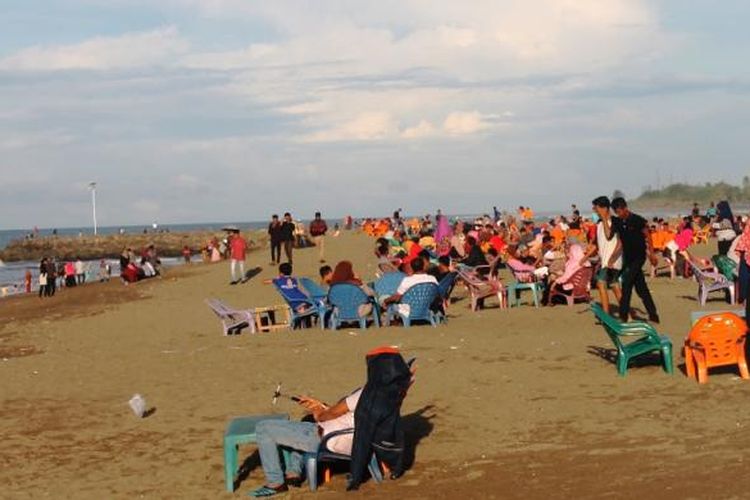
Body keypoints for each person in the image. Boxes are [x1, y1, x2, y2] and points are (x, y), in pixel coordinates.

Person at [249, 347, 413, 497]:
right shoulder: (392, 393)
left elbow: (328, 415)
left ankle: (276, 482)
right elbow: (347, 413)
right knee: (304, 422)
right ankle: (293, 474)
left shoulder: (366, 394)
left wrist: (318, 412)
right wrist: (320, 405)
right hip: (354, 439)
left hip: (330, 439)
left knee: (263, 428)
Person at [611, 197, 660, 323]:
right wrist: (613, 257)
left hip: (639, 257)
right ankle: (653, 314)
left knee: (626, 283)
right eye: (616, 212)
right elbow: (616, 238)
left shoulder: (638, 220)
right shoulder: (617, 222)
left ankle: (623, 315)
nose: (618, 214)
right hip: (628, 258)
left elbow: (648, 236)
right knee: (641, 288)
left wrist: (652, 255)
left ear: (625, 208)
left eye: (619, 211)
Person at [584, 196, 623, 314]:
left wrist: (605, 218)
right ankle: (626, 313)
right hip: (606, 260)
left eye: (596, 208)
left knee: (601, 282)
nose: (595, 210)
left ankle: (606, 314)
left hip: (613, 261)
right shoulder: (599, 224)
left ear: (604, 208)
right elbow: (597, 244)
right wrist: (584, 258)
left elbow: (610, 236)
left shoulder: (615, 222)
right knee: (615, 285)